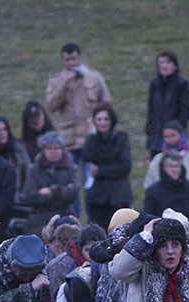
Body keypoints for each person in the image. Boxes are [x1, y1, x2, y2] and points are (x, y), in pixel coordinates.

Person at [45, 41, 112, 211]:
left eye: (74, 59)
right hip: (68, 141)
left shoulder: (94, 77)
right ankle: (74, 220)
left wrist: (98, 124)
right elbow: (50, 106)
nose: (71, 63)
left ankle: (92, 220)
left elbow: (106, 104)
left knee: (91, 183)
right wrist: (63, 85)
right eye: (67, 60)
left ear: (80, 58)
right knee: (71, 184)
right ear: (63, 60)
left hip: (91, 139)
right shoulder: (56, 81)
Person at [82, 102, 133, 230]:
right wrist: (91, 136)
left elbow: (125, 166)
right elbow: (87, 156)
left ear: (112, 120)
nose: (102, 122)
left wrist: (100, 171)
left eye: (106, 119)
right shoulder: (92, 139)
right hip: (98, 195)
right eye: (99, 119)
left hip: (118, 194)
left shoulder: (121, 138)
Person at [143, 120, 189, 210]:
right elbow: (150, 185)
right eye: (167, 136)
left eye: (173, 135)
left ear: (181, 135)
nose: (170, 139)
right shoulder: (157, 160)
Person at [21, 132, 79, 236]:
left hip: (64, 215)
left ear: (62, 150)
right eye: (49, 148)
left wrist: (50, 192)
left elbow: (73, 192)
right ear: (43, 150)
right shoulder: (34, 170)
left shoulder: (71, 169)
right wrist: (62, 191)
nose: (53, 151)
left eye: (56, 148)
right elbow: (29, 195)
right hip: (39, 217)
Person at [145, 51, 189, 158]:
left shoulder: (182, 84)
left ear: (175, 65)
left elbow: (186, 110)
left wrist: (176, 129)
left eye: (168, 62)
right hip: (156, 136)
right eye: (161, 62)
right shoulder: (155, 83)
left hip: (174, 136)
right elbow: (151, 108)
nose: (164, 65)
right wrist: (149, 128)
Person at [144, 152, 189, 226]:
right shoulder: (153, 191)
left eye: (177, 166)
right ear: (163, 168)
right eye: (170, 166)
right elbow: (150, 217)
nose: (174, 169)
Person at [0, 116, 32, 204]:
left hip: (15, 199)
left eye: (5, 129)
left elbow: (29, 174)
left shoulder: (18, 149)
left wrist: (22, 195)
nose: (2, 133)